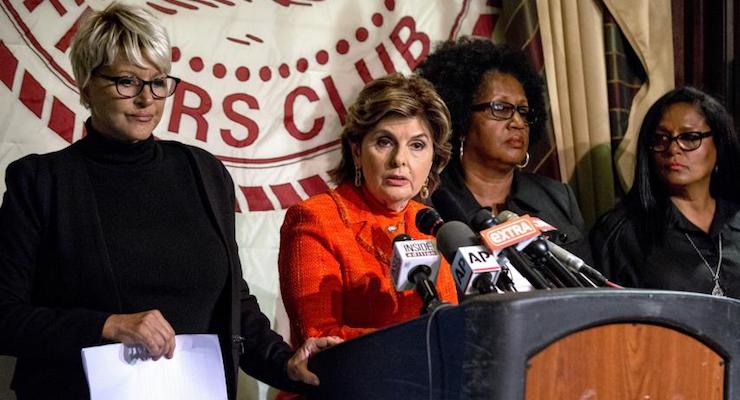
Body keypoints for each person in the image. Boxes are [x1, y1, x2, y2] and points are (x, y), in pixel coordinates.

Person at [0, 3, 339, 399]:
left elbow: (234, 307)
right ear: (86, 85)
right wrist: (106, 326)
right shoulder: (41, 183)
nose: (147, 99)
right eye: (127, 81)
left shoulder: (203, 173)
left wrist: (285, 363)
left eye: (159, 82)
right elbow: (5, 317)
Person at [278, 73, 458, 346]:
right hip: (346, 385)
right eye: (384, 142)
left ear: (434, 157)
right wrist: (423, 346)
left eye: (417, 145)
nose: (400, 159)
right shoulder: (315, 218)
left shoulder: (433, 228)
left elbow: (448, 325)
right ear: (357, 152)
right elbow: (320, 339)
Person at [416, 37, 592, 266]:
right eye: (500, 108)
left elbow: (591, 285)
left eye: (523, 111)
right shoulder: (430, 199)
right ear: (460, 117)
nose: (517, 122)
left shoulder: (558, 197)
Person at [590, 87, 740, 297]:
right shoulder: (621, 233)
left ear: (719, 144)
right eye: (661, 138)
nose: (672, 149)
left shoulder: (735, 218)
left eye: (689, 137)